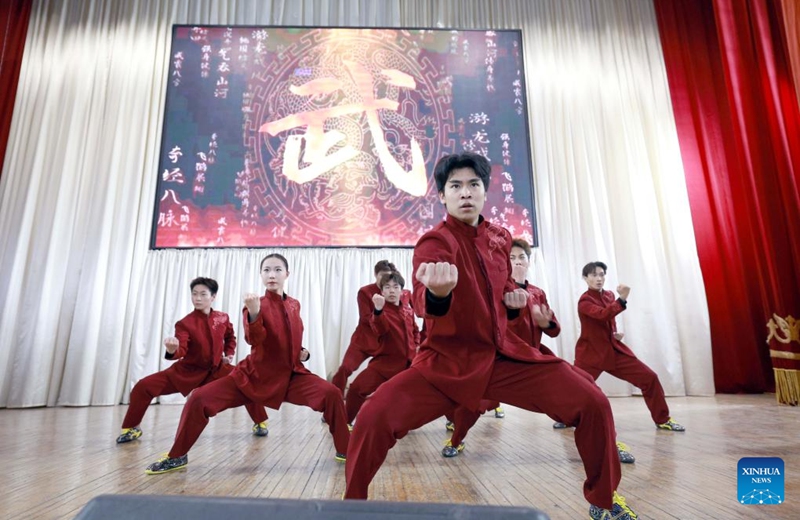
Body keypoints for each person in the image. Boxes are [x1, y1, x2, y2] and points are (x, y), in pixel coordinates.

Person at [344, 152, 638, 520]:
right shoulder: (433, 243)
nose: (465, 193)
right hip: (445, 364)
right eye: (455, 186)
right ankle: (350, 508)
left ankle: (604, 501)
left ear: (485, 191)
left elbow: (496, 296)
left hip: (505, 357)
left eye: (473, 185)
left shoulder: (500, 238)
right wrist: (437, 293)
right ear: (442, 196)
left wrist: (513, 307)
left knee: (593, 402)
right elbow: (421, 300)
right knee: (372, 417)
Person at [145, 254, 350, 474]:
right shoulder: (255, 305)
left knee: (332, 394)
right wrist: (254, 312)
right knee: (198, 398)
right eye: (267, 270)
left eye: (278, 270)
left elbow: (291, 337)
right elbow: (254, 340)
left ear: (287, 274)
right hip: (252, 376)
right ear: (261, 275)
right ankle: (177, 456)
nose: (272, 274)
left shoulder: (294, 305)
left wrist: (303, 353)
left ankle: (346, 450)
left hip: (291, 376)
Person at [115, 277, 268, 444]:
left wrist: (228, 353)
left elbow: (230, 337)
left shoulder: (222, 318)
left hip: (217, 370)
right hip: (188, 372)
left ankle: (260, 422)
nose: (198, 298)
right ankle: (131, 428)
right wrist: (172, 350)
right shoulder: (185, 324)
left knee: (246, 382)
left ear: (213, 297)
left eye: (203, 294)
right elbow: (182, 349)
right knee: (142, 387)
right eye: (194, 294)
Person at [575, 261, 685, 433]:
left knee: (650, 378)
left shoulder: (609, 295)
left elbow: (609, 319)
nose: (599, 278)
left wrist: (614, 333)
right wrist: (623, 298)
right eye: (594, 275)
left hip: (613, 351)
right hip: (591, 355)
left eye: (602, 274)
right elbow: (603, 315)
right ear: (585, 278)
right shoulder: (584, 301)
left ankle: (663, 419)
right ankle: (565, 419)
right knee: (574, 388)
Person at [344, 271, 419, 426]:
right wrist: (378, 310)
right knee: (356, 389)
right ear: (382, 292)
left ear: (402, 290)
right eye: (387, 287)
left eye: (395, 286)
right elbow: (380, 328)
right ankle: (345, 422)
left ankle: (453, 423)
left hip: (410, 366)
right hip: (385, 365)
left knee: (435, 388)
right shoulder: (380, 313)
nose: (392, 290)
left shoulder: (408, 310)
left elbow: (415, 331)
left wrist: (417, 345)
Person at [331, 260, 410, 395]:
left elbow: (415, 312)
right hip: (364, 340)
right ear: (375, 275)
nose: (385, 279)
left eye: (388, 276)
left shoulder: (402, 293)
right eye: (382, 275)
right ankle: (334, 399)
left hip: (386, 344)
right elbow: (365, 318)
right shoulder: (365, 292)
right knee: (345, 368)